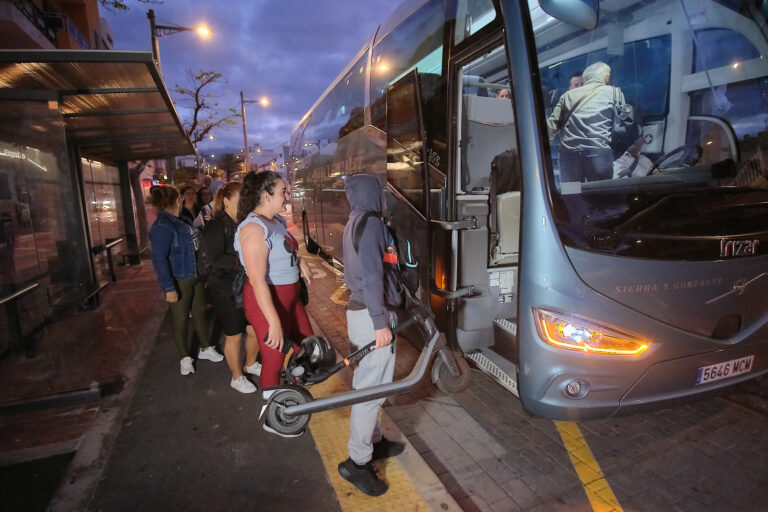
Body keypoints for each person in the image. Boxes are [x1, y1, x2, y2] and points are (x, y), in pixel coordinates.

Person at [337, 174, 405, 497]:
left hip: (361, 313)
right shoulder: (373, 224)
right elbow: (373, 275)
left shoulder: (354, 220)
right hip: (370, 316)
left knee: (371, 386)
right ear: (374, 194)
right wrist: (380, 322)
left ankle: (374, 441)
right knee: (370, 392)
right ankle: (358, 462)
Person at [234, 171, 313, 435]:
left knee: (308, 346)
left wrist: (300, 262)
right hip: (266, 301)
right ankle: (274, 419)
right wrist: (274, 323)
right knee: (274, 358)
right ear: (266, 195)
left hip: (290, 298)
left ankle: (292, 395)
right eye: (283, 192)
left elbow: (284, 251)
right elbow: (257, 281)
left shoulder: (276, 220)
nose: (287, 196)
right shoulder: (254, 229)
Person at [147, 185, 224, 376]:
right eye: (180, 197)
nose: (183, 199)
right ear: (177, 200)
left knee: (199, 313)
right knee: (180, 319)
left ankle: (206, 348)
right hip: (180, 278)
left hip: (195, 274)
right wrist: (168, 287)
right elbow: (159, 259)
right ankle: (185, 358)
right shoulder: (163, 226)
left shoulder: (181, 220)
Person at [201, 182, 261, 393]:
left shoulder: (245, 222)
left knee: (255, 329)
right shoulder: (215, 226)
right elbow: (214, 258)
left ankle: (251, 363)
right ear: (226, 200)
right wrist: (245, 260)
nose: (244, 203)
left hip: (246, 283)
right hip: (224, 287)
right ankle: (237, 377)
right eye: (239, 199)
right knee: (234, 334)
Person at [548, 62, 627, 182]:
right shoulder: (614, 92)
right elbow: (626, 120)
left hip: (570, 157)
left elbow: (552, 126)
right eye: (576, 85)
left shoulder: (567, 96)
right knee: (598, 190)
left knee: (573, 191)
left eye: (582, 83)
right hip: (597, 154)